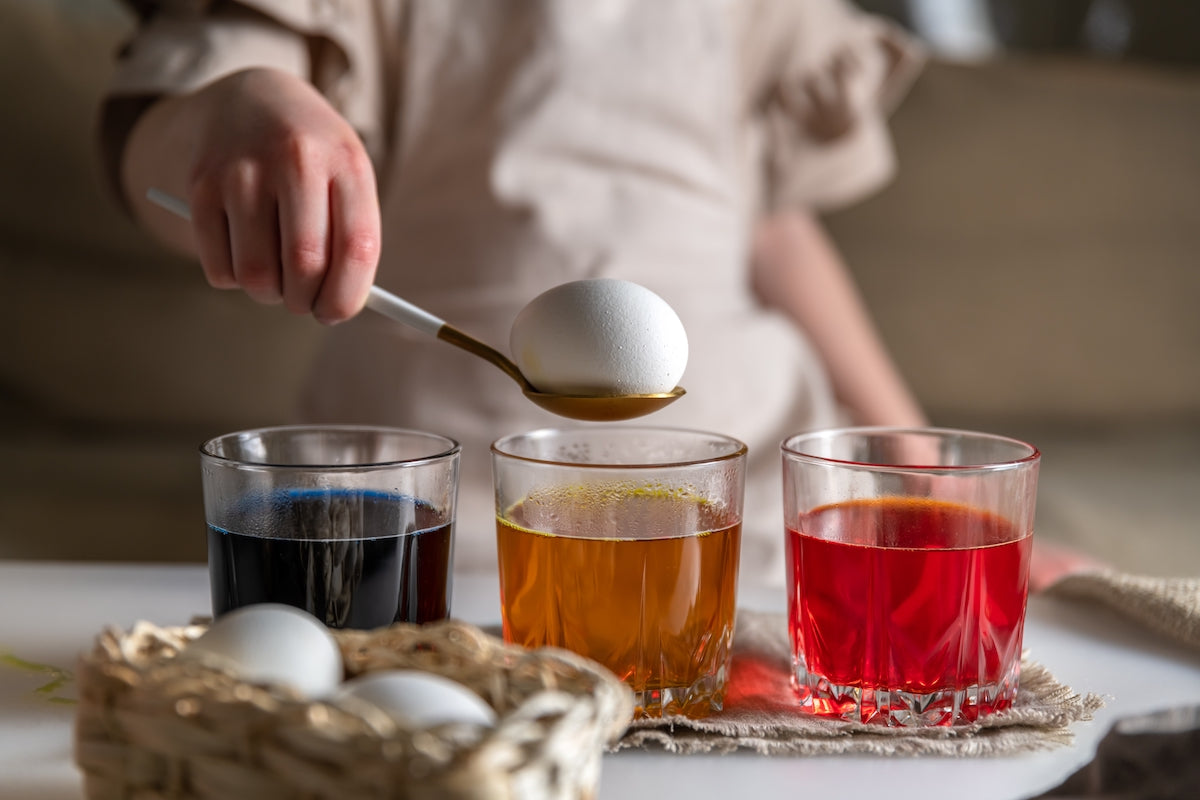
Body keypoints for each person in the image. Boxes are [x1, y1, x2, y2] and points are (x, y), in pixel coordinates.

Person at [101, 0, 927, 584]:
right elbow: (173, 135)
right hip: (427, 514)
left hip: (748, 516)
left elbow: (773, 228)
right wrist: (233, 117)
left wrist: (924, 480)